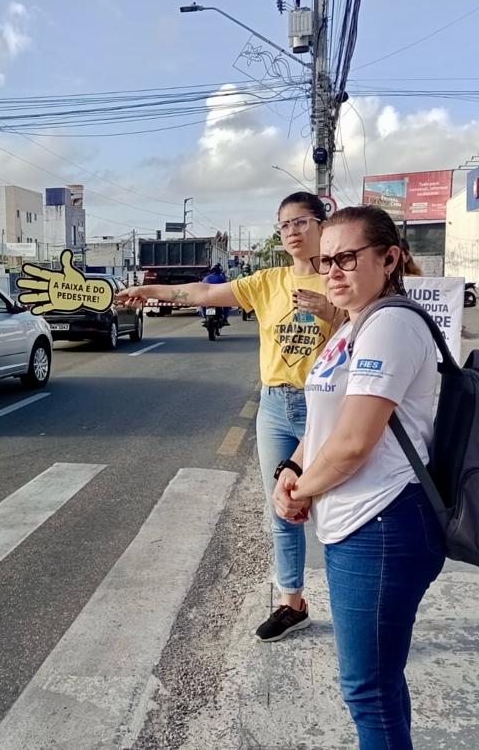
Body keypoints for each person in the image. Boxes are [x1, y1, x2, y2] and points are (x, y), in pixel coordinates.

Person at [118, 192, 344, 641]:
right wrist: (146, 290)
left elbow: (368, 330)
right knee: (282, 509)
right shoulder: (267, 282)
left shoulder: (340, 277)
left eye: (301, 222)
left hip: (328, 407)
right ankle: (291, 602)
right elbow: (202, 292)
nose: (293, 232)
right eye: (284, 226)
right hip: (276, 406)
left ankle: (352, 603)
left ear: (322, 224)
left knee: (336, 511)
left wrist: (333, 313)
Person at [272, 205, 444, 749]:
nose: (333, 272)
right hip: (358, 523)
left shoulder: (390, 324)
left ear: (389, 258)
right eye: (326, 261)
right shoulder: (352, 326)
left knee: (366, 690)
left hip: (385, 525)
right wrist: (293, 468)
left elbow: (351, 445)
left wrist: (302, 491)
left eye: (347, 257)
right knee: (381, 686)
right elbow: (326, 425)